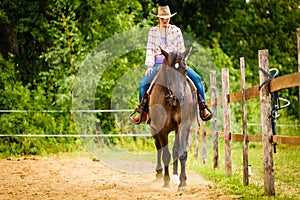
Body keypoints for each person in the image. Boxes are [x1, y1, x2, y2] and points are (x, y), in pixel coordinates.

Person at [129, 5, 211, 124]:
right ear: (158, 18)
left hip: (176, 63)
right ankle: (143, 112)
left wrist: (182, 64)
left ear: (170, 17)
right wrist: (149, 66)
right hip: (159, 63)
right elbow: (150, 49)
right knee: (143, 83)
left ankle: (203, 107)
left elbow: (181, 49)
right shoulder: (153, 32)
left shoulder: (176, 31)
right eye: (162, 18)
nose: (165, 20)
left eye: (167, 17)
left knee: (197, 79)